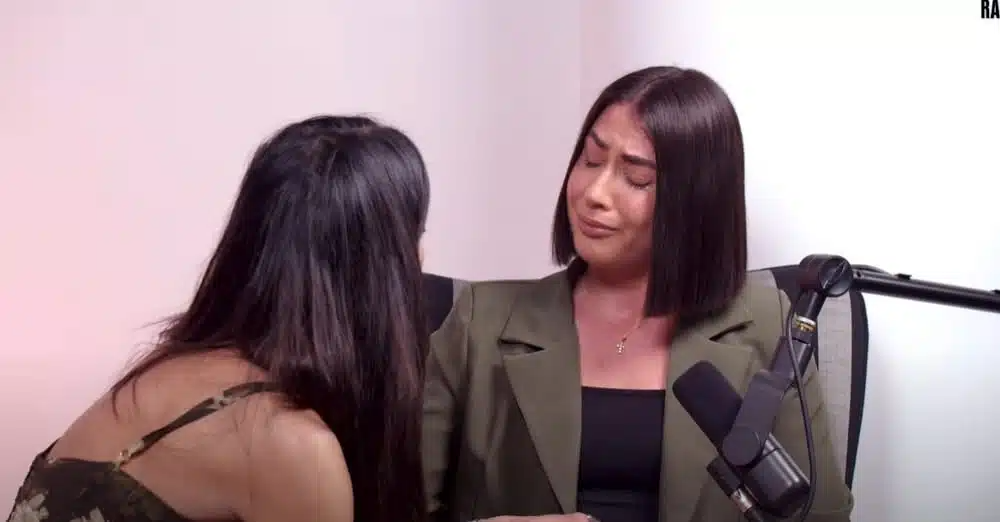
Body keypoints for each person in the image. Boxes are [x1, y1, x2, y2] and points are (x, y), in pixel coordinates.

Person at [422, 66, 854, 522]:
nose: (594, 193)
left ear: (697, 200)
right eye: (591, 160)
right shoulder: (479, 321)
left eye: (636, 178)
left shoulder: (770, 327)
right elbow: (396, 506)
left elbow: (821, 516)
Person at [7, 115, 430, 522]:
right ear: (381, 270)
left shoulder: (182, 369)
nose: (423, 257)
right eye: (416, 235)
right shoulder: (287, 443)